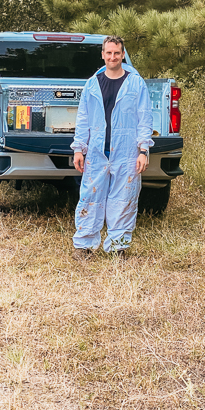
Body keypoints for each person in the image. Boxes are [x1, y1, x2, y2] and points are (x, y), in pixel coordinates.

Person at [70, 36, 153, 259]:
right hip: (97, 153)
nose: (112, 57)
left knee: (123, 199)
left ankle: (119, 248)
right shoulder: (92, 84)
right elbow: (83, 118)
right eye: (109, 53)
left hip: (126, 154)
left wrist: (143, 149)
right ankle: (84, 246)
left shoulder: (135, 83)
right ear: (103, 55)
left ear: (123, 54)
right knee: (90, 197)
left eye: (117, 53)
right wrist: (79, 148)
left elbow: (144, 117)